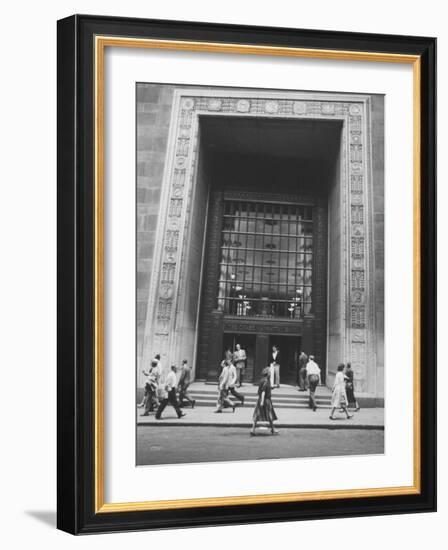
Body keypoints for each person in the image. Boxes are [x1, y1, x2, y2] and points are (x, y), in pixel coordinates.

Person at [251, 367, 279, 436]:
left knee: (257, 415)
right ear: (267, 374)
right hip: (266, 400)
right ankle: (273, 429)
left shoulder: (262, 380)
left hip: (260, 399)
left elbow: (260, 391)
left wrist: (260, 400)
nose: (270, 373)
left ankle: (253, 429)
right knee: (269, 414)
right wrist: (262, 401)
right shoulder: (266, 381)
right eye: (269, 372)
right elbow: (263, 391)